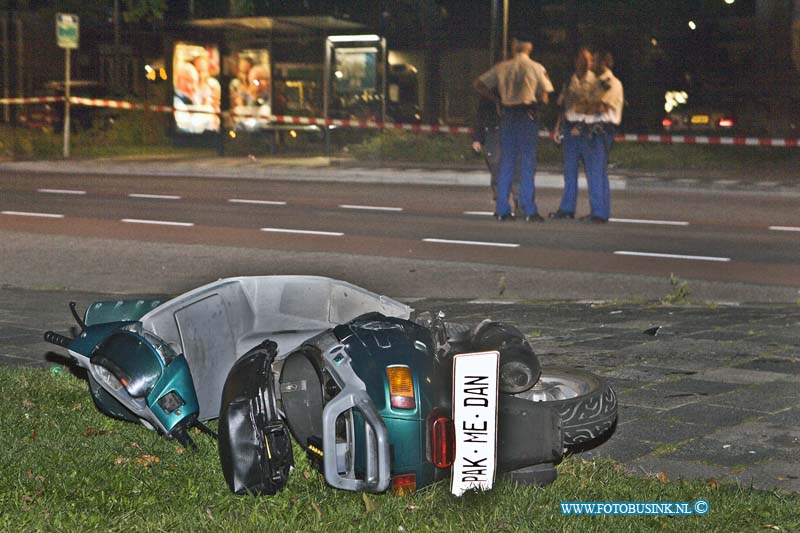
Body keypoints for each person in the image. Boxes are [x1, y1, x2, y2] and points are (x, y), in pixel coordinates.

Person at [474, 34, 554, 222]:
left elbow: (478, 84)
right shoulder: (536, 67)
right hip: (526, 116)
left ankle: (502, 209)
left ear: (513, 47)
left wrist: (497, 100)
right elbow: (545, 94)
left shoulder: (502, 67)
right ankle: (528, 209)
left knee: (506, 163)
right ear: (529, 47)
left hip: (507, 115)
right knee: (527, 163)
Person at [550, 47, 604, 221]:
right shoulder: (569, 81)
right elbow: (563, 106)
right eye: (580, 58)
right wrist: (557, 128)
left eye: (586, 59)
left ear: (591, 63)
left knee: (593, 173)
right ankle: (567, 209)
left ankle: (597, 212)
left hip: (588, 131)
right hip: (569, 128)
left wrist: (581, 126)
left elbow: (599, 109)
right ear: (575, 61)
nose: (582, 62)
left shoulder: (597, 82)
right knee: (569, 172)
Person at [472, 91, 519, 213]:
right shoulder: (489, 94)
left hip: (510, 131)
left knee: (513, 168)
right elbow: (480, 116)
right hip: (492, 132)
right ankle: (501, 202)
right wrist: (477, 138)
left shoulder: (514, 87)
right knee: (496, 167)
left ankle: (517, 199)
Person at [593, 50, 624, 222]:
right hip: (599, 128)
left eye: (595, 61)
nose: (592, 65)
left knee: (597, 171)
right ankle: (599, 211)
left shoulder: (611, 83)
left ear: (603, 63)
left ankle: (599, 212)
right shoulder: (599, 82)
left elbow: (602, 107)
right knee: (598, 171)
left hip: (603, 129)